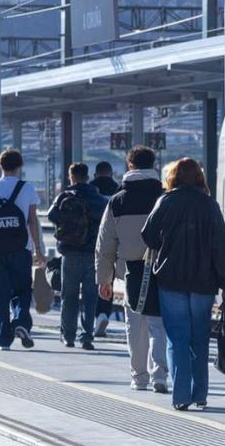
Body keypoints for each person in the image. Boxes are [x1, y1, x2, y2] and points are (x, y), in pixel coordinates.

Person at [141, 158, 225, 411]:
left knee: (177, 339)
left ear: (172, 177)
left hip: (171, 281)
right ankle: (201, 393)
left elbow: (148, 235)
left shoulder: (166, 201)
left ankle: (181, 395)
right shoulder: (209, 206)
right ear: (198, 178)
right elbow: (221, 247)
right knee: (199, 338)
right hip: (203, 283)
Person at [96, 146, 168, 392]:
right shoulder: (164, 196)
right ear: (153, 164)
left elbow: (105, 244)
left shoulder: (117, 200)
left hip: (131, 271)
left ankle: (139, 377)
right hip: (162, 268)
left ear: (130, 166)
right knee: (158, 324)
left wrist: (104, 279)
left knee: (135, 326)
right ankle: (159, 375)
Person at [0, 149, 45, 350]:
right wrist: (38, 250)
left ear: (1, 166)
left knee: (1, 294)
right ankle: (22, 322)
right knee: (23, 289)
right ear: (19, 166)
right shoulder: (27, 189)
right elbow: (33, 221)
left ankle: (4, 339)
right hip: (22, 249)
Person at [47, 163, 108, 350]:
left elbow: (51, 216)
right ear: (87, 176)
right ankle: (87, 337)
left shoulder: (64, 197)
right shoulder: (99, 199)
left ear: (71, 176)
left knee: (69, 297)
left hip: (70, 253)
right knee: (90, 298)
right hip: (92, 255)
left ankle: (68, 336)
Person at [89, 161, 119, 337]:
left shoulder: (90, 189)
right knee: (109, 280)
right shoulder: (117, 189)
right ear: (111, 173)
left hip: (90, 243)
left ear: (95, 174)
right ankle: (103, 313)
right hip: (113, 243)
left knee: (90, 282)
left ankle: (94, 318)